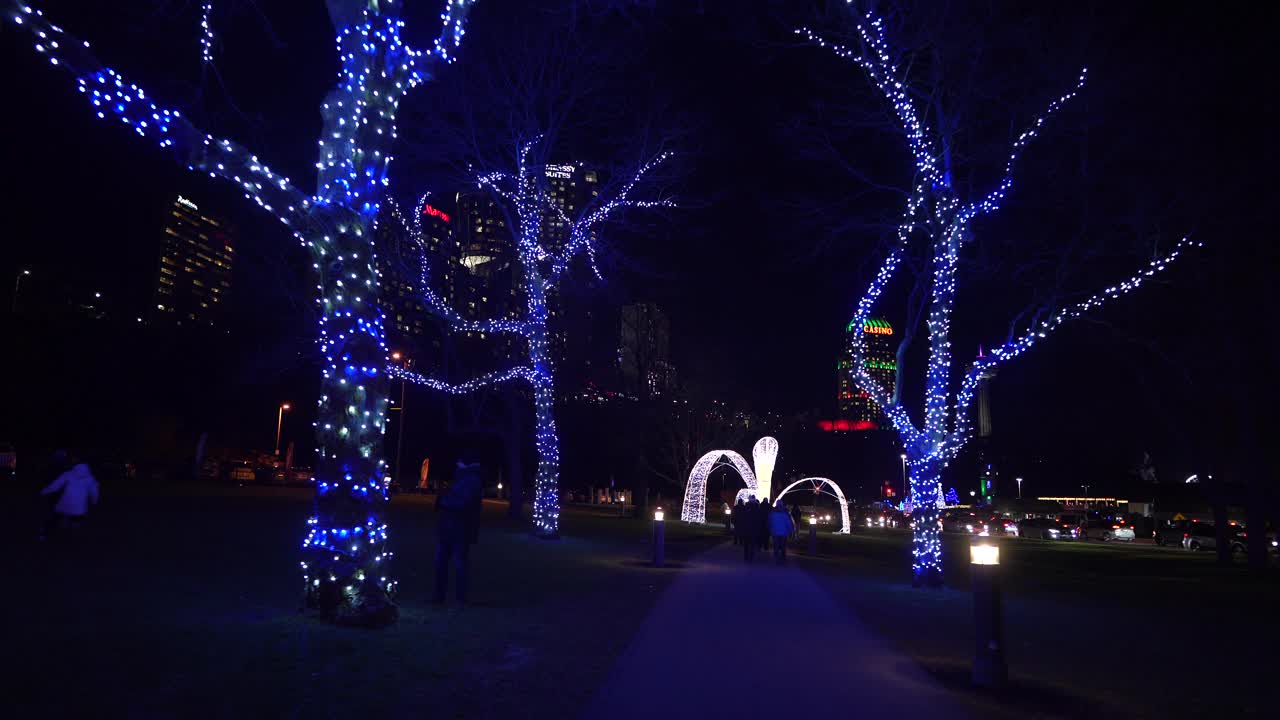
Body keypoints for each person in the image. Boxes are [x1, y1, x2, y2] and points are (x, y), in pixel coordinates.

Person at [434, 456, 482, 604]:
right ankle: (440, 596)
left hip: (460, 528)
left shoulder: (471, 480)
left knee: (459, 563)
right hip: (450, 527)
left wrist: (443, 501)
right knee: (442, 562)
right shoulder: (463, 479)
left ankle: (460, 598)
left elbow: (462, 503)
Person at [39, 455, 98, 540]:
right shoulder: (90, 478)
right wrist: (94, 501)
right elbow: (94, 492)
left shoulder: (68, 474)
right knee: (76, 522)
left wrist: (43, 492)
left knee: (55, 518)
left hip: (65, 504)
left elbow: (55, 486)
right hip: (79, 508)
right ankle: (72, 538)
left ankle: (44, 534)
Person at [770, 500, 795, 564]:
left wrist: (770, 529)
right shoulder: (786, 512)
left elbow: (770, 522)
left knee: (776, 545)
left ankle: (776, 557)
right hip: (783, 532)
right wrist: (791, 530)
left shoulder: (772, 512)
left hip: (775, 532)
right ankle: (783, 557)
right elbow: (789, 523)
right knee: (783, 545)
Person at [742, 496, 760, 562]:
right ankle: (750, 556)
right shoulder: (757, 507)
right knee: (751, 543)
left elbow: (743, 517)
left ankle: (747, 556)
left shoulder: (747, 506)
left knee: (748, 544)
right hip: (752, 528)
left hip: (748, 528)